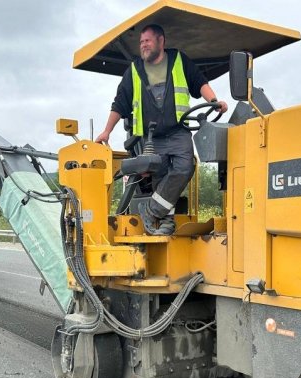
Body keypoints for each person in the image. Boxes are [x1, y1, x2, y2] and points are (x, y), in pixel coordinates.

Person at [94, 23, 228, 235]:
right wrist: (106, 131)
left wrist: (214, 100)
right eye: (141, 42)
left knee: (185, 166)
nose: (143, 45)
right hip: (151, 138)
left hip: (178, 131)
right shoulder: (134, 71)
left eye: (147, 41)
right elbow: (120, 103)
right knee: (161, 176)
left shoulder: (178, 61)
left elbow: (199, 82)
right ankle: (165, 222)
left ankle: (152, 211)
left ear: (160, 41)